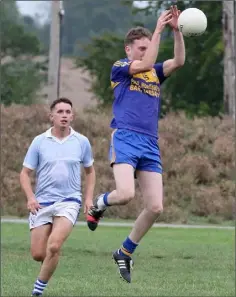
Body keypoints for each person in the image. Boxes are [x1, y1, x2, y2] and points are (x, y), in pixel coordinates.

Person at [86, 5, 185, 283]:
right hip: (126, 136)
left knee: (155, 207)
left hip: (150, 143)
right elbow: (142, 64)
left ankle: (125, 251)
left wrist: (176, 32)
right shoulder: (120, 68)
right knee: (126, 194)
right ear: (128, 50)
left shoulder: (154, 72)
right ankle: (99, 203)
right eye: (140, 48)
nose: (145, 52)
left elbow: (178, 61)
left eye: (147, 47)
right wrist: (157, 30)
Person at [20, 97, 95, 296]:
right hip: (42, 203)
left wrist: (88, 199)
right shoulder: (39, 141)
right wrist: (30, 198)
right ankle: (51, 258)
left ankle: (37, 290)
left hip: (69, 201)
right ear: (51, 116)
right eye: (60, 112)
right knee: (38, 254)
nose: (64, 115)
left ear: (73, 116)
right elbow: (24, 174)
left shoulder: (81, 142)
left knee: (54, 245)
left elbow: (90, 171)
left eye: (68, 112)